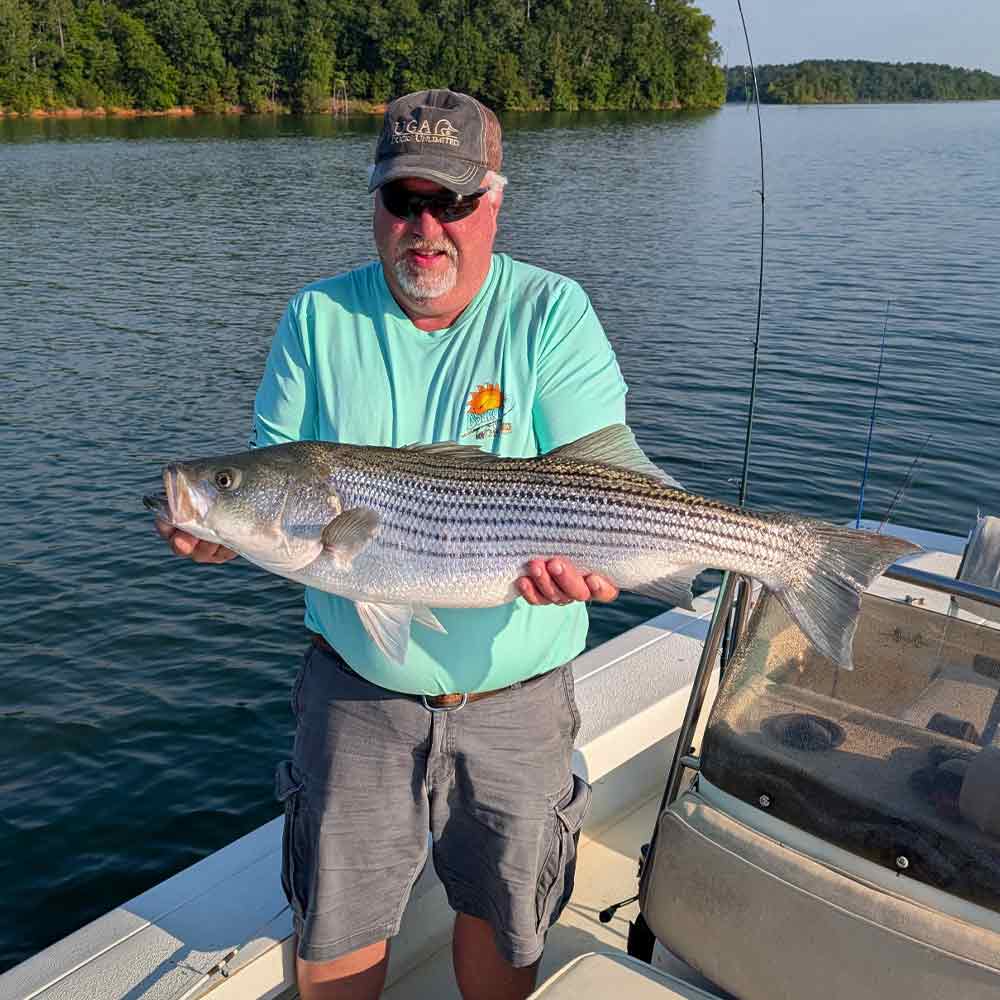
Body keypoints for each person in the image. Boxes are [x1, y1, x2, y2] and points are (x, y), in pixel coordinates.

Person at [157, 89, 629, 1000]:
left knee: (504, 920)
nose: (426, 227)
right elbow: (268, 475)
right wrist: (222, 526)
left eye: (450, 201)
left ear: (493, 201)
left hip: (518, 699)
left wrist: (593, 567)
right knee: (336, 922)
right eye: (403, 200)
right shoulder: (317, 318)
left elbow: (605, 474)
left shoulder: (550, 310)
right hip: (354, 696)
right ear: (375, 201)